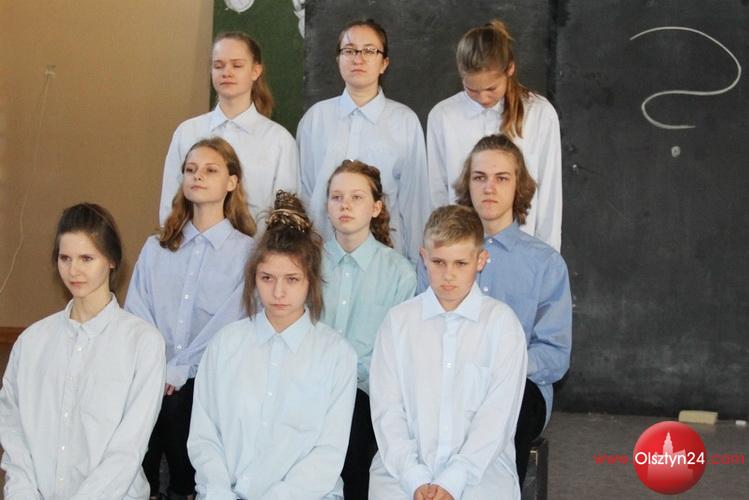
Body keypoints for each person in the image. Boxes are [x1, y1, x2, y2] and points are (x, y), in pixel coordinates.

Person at [188, 190, 357, 500]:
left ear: (311, 281)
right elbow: (204, 436)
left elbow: (327, 454)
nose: (278, 292)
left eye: (292, 279)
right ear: (254, 278)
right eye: (267, 278)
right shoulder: (226, 344)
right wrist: (220, 492)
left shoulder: (336, 355)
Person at [427, 134, 572, 488]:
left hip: (521, 386)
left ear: (518, 186)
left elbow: (555, 356)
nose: (489, 187)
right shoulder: (439, 254)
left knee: (507, 413)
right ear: (467, 184)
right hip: (447, 377)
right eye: (479, 177)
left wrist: (498, 368)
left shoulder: (545, 263)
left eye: (501, 178)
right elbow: (421, 325)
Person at [0, 203, 165, 499]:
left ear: (111, 260)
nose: (73, 270)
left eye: (86, 258)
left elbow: (127, 450)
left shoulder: (143, 343)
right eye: (65, 258)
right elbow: (14, 435)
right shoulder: (32, 342)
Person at [126, 137, 256, 500]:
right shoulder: (157, 247)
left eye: (210, 170)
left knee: (180, 406)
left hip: (207, 376)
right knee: (139, 408)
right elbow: (137, 310)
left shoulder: (247, 252)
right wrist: (158, 366)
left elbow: (233, 322)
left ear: (231, 182)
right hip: (151, 371)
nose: (197, 176)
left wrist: (183, 369)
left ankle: (184, 490)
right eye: (190, 169)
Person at [369, 205, 528, 500]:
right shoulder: (398, 322)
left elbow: (497, 416)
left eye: (460, 263)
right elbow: (387, 410)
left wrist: (454, 478)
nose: (448, 275)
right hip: (402, 472)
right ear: (423, 256)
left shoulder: (502, 324)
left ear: (481, 260)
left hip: (481, 472)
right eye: (438, 262)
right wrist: (414, 477)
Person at [297, 18, 430, 264]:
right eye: (349, 51)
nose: (358, 59)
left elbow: (415, 203)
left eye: (369, 51)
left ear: (384, 63)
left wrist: (416, 265)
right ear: (338, 58)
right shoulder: (316, 118)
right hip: (321, 257)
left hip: (386, 259)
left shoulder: (404, 121)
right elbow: (304, 191)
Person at [322, 160, 416, 499]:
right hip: (308, 384)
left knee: (353, 431)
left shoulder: (399, 272)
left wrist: (346, 377)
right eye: (336, 197)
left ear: (376, 208)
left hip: (366, 390)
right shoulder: (306, 263)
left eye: (357, 197)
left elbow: (395, 353)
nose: (345, 205)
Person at [427, 19, 562, 251]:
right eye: (472, 90)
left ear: (510, 69)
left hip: (522, 250)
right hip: (462, 252)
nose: (483, 98)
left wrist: (547, 257)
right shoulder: (443, 116)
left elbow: (549, 195)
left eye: (491, 88)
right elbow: (437, 194)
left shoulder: (539, 113)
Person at [159, 31, 299, 229]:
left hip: (256, 246)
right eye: (218, 65)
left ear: (256, 71)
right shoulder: (188, 132)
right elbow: (170, 206)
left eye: (237, 65)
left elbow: (285, 216)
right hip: (193, 245)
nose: (226, 72)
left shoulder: (279, 140)